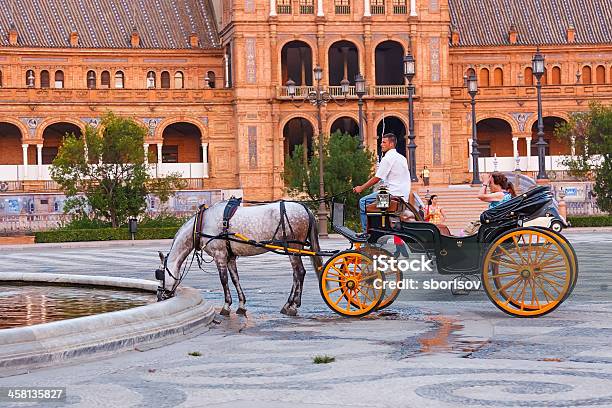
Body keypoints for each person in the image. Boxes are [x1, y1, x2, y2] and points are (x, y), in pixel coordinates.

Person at [353, 133, 411, 233]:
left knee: (363, 202)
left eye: (384, 142)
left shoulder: (387, 158)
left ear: (391, 144)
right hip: (402, 195)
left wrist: (361, 188)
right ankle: (378, 228)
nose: (381, 144)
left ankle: (365, 234)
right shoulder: (402, 158)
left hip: (391, 195)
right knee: (372, 206)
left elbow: (377, 178)